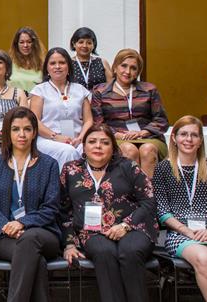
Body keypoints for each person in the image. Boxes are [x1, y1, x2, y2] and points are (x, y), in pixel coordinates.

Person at [61, 125, 157, 302]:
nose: (98, 146)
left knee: (130, 251)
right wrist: (69, 244)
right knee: (104, 251)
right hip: (91, 232)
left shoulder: (127, 167)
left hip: (133, 227)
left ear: (113, 148)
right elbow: (63, 209)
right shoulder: (71, 170)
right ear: (83, 146)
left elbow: (149, 201)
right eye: (92, 141)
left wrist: (126, 225)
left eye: (105, 142)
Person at [153, 116, 207, 302]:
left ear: (200, 140)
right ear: (174, 138)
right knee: (203, 259)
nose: (189, 139)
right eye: (183, 134)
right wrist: (188, 232)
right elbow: (162, 210)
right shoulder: (163, 169)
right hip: (180, 233)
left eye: (194, 135)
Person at [0, 107, 62, 302]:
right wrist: (7, 227)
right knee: (36, 261)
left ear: (34, 133)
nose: (22, 134)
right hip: (4, 236)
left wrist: (22, 223)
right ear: (7, 133)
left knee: (30, 238)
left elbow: (51, 208)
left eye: (27, 129)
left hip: (44, 234)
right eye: (16, 129)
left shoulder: (49, 165)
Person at [90, 48, 168, 177]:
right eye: (124, 66)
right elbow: (98, 123)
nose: (127, 71)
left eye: (133, 68)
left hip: (148, 137)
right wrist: (117, 135)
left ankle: (148, 190)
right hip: (116, 138)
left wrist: (142, 132)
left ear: (138, 72)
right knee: (129, 149)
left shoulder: (149, 89)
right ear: (115, 67)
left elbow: (161, 120)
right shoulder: (100, 91)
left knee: (147, 150)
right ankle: (132, 190)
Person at [29, 47, 92, 169]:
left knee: (90, 148)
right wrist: (55, 137)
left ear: (68, 66)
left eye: (62, 63)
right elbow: (34, 120)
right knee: (67, 151)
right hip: (48, 139)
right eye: (53, 63)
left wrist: (80, 138)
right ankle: (68, 182)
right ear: (47, 68)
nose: (57, 66)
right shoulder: (40, 90)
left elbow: (88, 120)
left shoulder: (80, 90)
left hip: (77, 139)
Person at [68, 27, 112, 92]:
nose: (85, 46)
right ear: (74, 44)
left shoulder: (102, 62)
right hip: (75, 98)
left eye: (89, 43)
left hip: (99, 98)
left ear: (93, 45)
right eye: (81, 42)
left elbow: (111, 86)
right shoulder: (68, 63)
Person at [8, 27, 45, 93]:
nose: (25, 45)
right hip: (13, 98)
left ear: (34, 44)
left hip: (35, 98)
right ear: (16, 44)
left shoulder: (43, 64)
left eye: (29, 42)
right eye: (21, 42)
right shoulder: (8, 63)